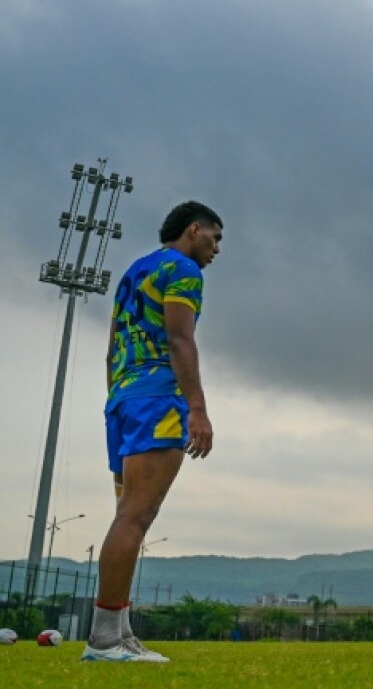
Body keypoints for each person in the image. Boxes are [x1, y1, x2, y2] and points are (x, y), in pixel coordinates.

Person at [82, 202, 223, 663]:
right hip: (157, 399)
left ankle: (118, 634)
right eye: (215, 238)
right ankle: (104, 640)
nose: (216, 249)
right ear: (194, 229)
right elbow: (181, 339)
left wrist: (116, 401)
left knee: (128, 515)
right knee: (135, 517)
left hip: (122, 399)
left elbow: (110, 350)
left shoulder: (134, 271)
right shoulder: (183, 270)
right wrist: (197, 409)